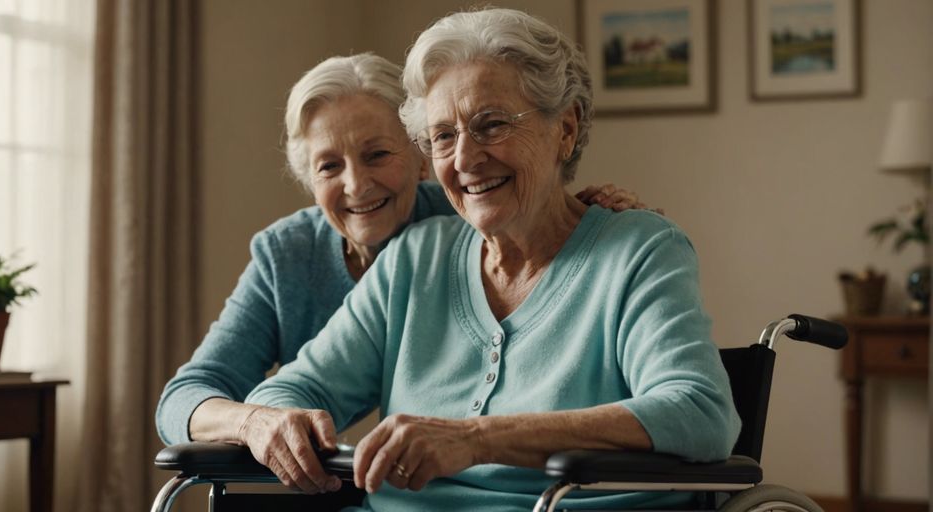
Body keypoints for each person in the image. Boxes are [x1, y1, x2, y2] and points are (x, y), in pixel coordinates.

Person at [240, 8, 740, 511]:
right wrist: (280, 423)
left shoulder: (638, 251)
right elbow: (295, 389)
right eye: (443, 136)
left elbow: (699, 412)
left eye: (492, 124)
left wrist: (477, 438)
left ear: (565, 129)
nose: (465, 159)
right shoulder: (413, 259)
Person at [155, 53, 646, 447]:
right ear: (309, 180)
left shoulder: (464, 216)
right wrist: (253, 422)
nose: (356, 185)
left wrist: (591, 219)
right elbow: (186, 396)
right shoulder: (288, 256)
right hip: (358, 477)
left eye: (377, 155)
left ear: (422, 156)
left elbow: (538, 215)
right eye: (329, 166)